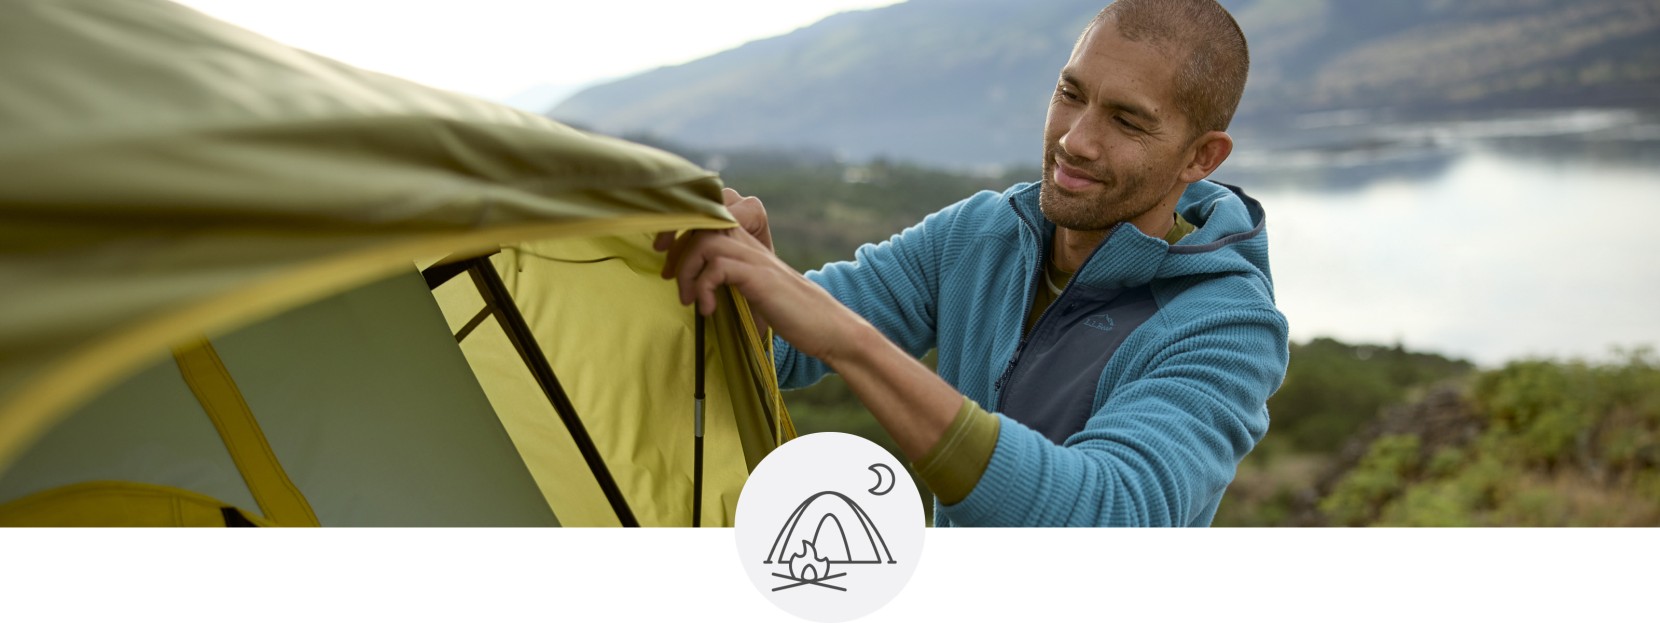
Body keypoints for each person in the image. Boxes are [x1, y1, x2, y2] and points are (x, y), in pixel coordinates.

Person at [656, 0, 1288, 526]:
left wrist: (849, 341)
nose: (1074, 139)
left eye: (1126, 121)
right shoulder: (983, 234)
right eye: (1071, 93)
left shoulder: (1227, 327)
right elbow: (782, 355)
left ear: (1201, 158)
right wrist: (749, 282)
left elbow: (1107, 514)